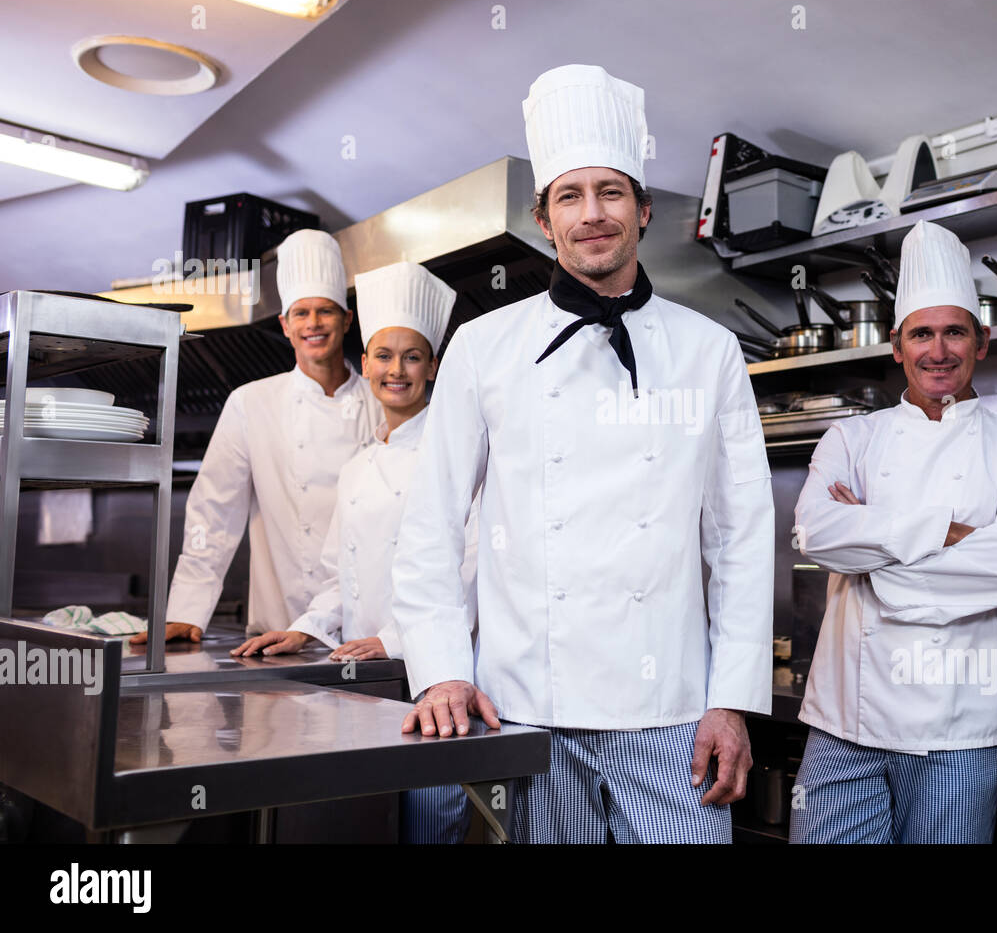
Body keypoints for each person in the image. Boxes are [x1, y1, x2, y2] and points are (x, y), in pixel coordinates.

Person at [391, 64, 774, 844]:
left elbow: (739, 538)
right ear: (544, 218)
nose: (592, 214)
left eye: (610, 192)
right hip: (529, 707)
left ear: (643, 209)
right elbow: (430, 523)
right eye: (570, 195)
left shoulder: (709, 351)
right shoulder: (482, 347)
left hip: (671, 710)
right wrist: (439, 669)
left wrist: (731, 700)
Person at [788, 220, 997, 844]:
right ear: (896, 345)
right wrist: (952, 531)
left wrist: (869, 554)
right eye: (922, 334)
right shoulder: (850, 438)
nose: (938, 351)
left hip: (961, 729)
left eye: (955, 332)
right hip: (844, 723)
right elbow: (815, 535)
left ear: (982, 341)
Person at [232, 260, 473, 843]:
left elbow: (470, 570)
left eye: (412, 356)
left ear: (433, 366)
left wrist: (392, 638)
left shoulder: (458, 452)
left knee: (428, 818)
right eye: (384, 356)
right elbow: (342, 575)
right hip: (368, 683)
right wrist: (306, 629)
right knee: (371, 820)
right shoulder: (359, 464)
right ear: (365, 365)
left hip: (431, 676)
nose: (396, 370)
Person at [132, 229, 382, 645]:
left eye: (326, 311)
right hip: (279, 628)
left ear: (347, 319)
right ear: (284, 325)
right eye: (301, 313)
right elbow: (213, 514)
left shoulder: (383, 406)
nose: (314, 324)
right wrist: (185, 610)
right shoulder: (251, 403)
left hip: (366, 636)